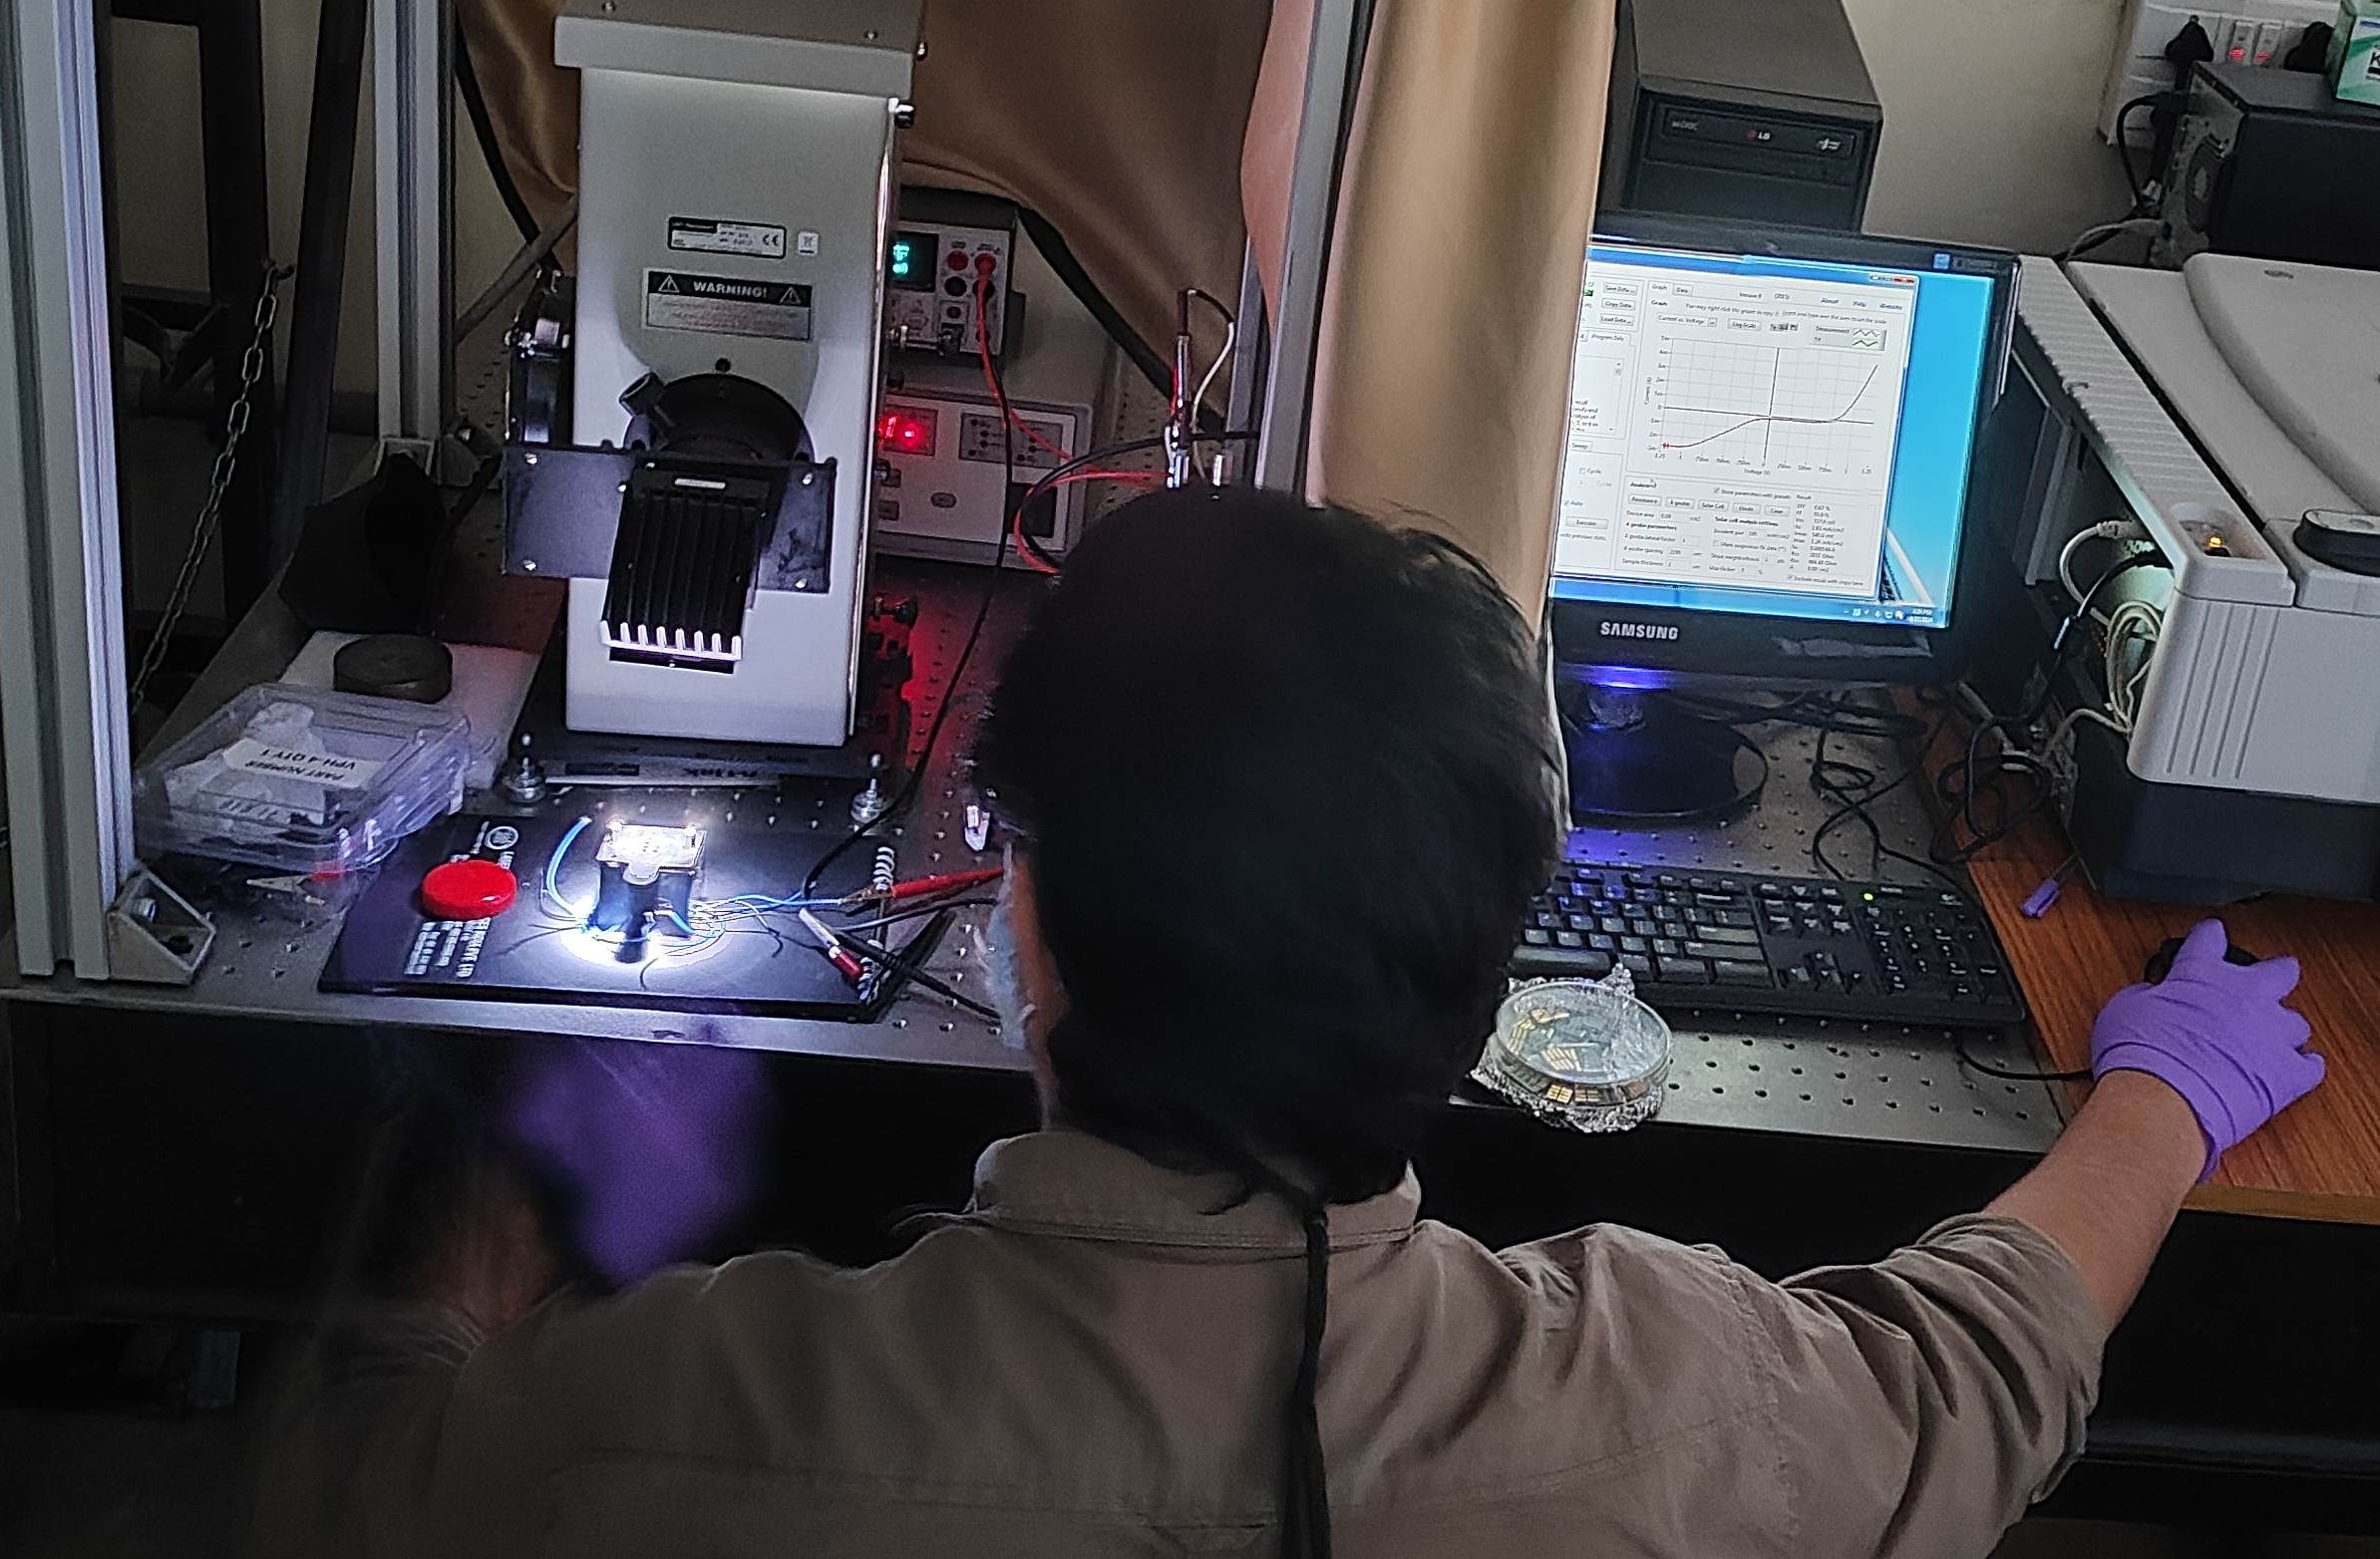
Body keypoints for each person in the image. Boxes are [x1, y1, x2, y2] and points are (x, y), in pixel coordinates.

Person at [256, 487, 2324, 1558]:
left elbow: (359, 1495)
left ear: (1023, 919)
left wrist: (488, 1230)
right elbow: (1976, 1369)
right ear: (1490, 972)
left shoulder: (670, 1423)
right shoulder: (1686, 1402)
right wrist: (2169, 1090)